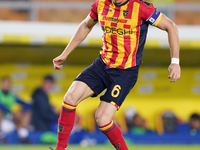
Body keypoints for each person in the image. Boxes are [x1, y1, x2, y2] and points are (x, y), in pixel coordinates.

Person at [52, 0, 181, 149]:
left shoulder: (140, 8)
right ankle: (60, 148)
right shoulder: (100, 4)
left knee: (102, 119)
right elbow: (86, 25)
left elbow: (170, 26)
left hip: (125, 71)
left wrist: (175, 62)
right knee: (70, 97)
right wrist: (65, 53)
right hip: (102, 64)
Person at [0, 76, 31, 143]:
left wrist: (20, 111)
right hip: (3, 119)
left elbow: (26, 104)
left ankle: (23, 135)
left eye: (9, 83)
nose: (8, 85)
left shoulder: (12, 95)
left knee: (27, 111)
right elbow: (1, 106)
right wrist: (11, 112)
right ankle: (1, 136)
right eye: (6, 83)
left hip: (10, 118)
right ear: (1, 84)